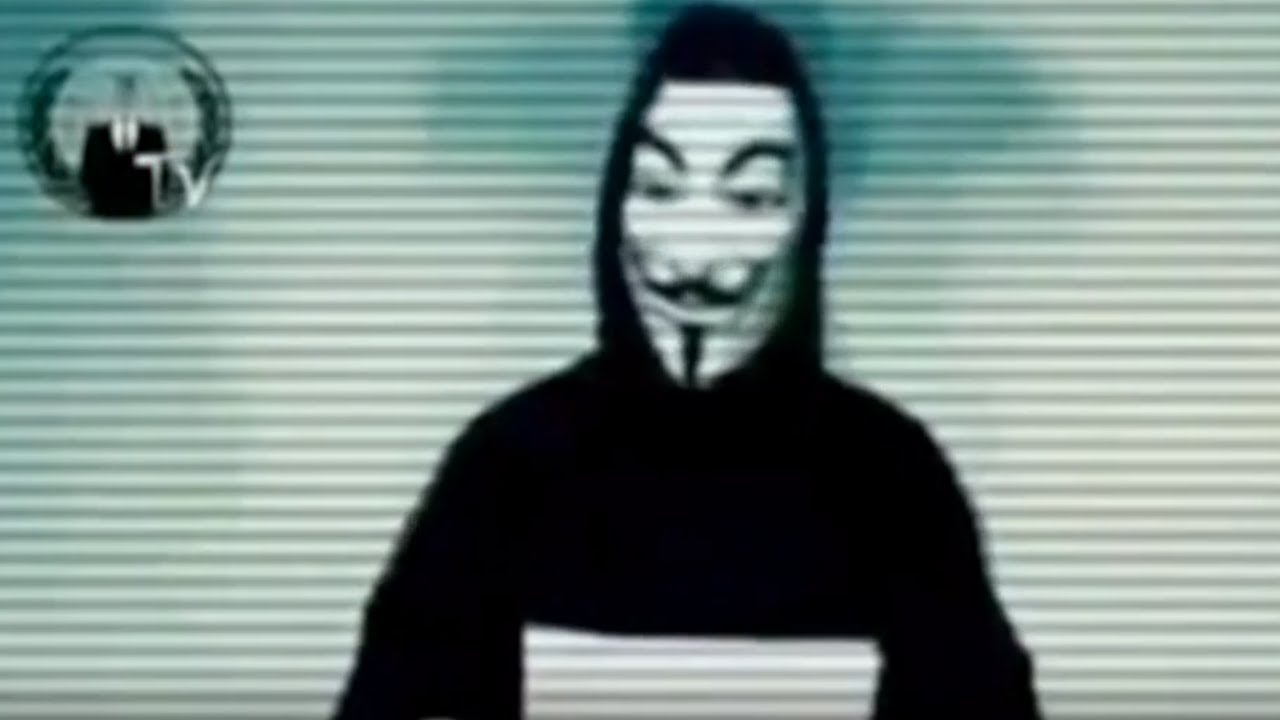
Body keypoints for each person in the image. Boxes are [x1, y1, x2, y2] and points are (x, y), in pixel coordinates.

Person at [332, 3, 1043, 718]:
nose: (693, 260)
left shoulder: (891, 481)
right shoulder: (508, 468)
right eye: (658, 188)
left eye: (752, 197)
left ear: (808, 220)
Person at [78, 74, 168, 218]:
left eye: (130, 96)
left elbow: (162, 178)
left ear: (139, 100)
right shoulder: (95, 135)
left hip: (142, 211)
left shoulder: (154, 135)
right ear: (110, 101)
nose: (125, 102)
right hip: (102, 210)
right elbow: (86, 173)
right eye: (120, 96)